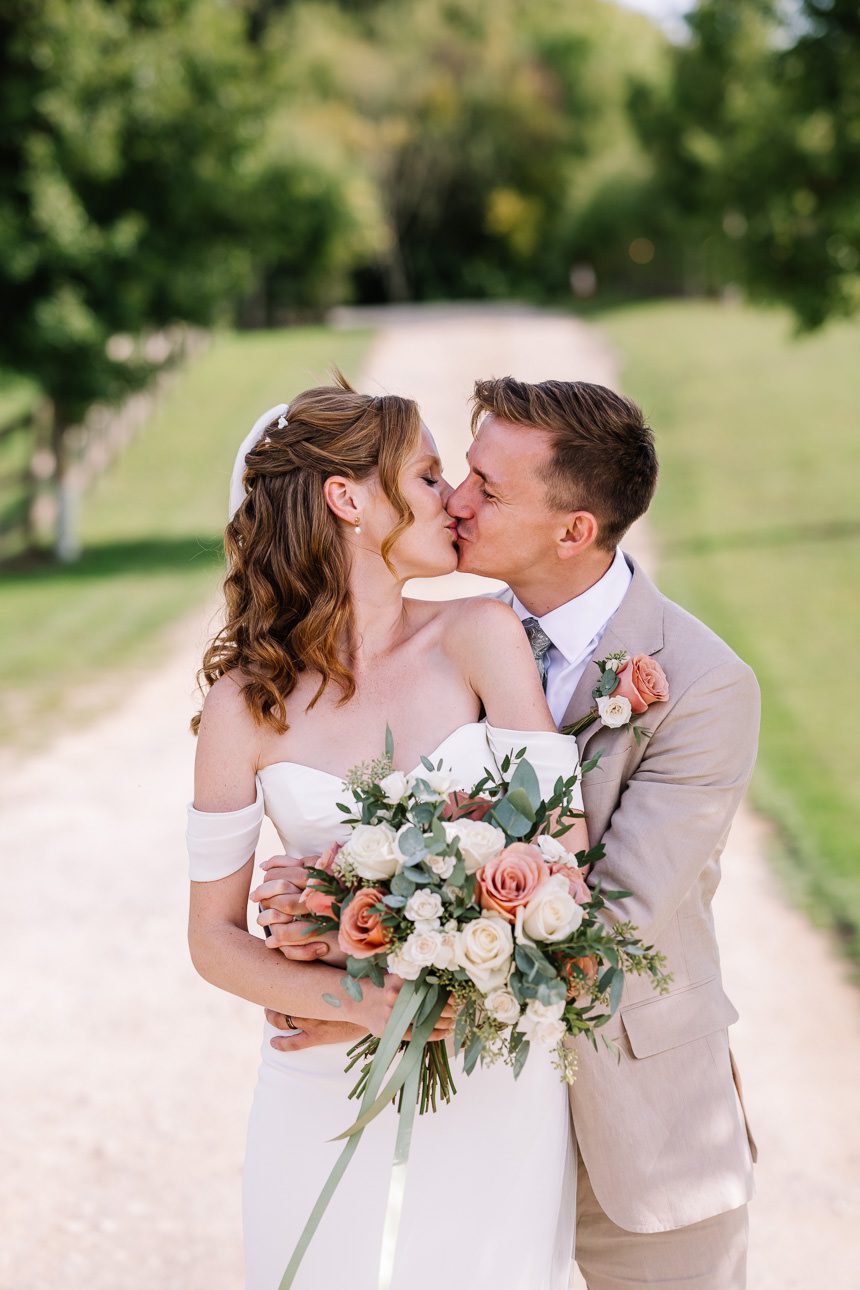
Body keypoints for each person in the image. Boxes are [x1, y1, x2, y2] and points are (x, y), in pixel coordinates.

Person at [265, 377, 760, 1290]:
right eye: (461, 472)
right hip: (464, 1118)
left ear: (573, 531)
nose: (453, 499)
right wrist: (333, 912)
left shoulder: (702, 686)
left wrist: (382, 984)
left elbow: (612, 918)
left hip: (639, 1122)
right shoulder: (424, 642)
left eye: (489, 490)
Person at [185, 376, 588, 1290]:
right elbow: (211, 939)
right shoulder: (242, 708)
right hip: (324, 1082)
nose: (456, 501)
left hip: (487, 1069)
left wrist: (430, 961)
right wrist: (360, 1005)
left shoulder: (480, 637)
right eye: (431, 473)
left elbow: (563, 861)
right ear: (348, 500)